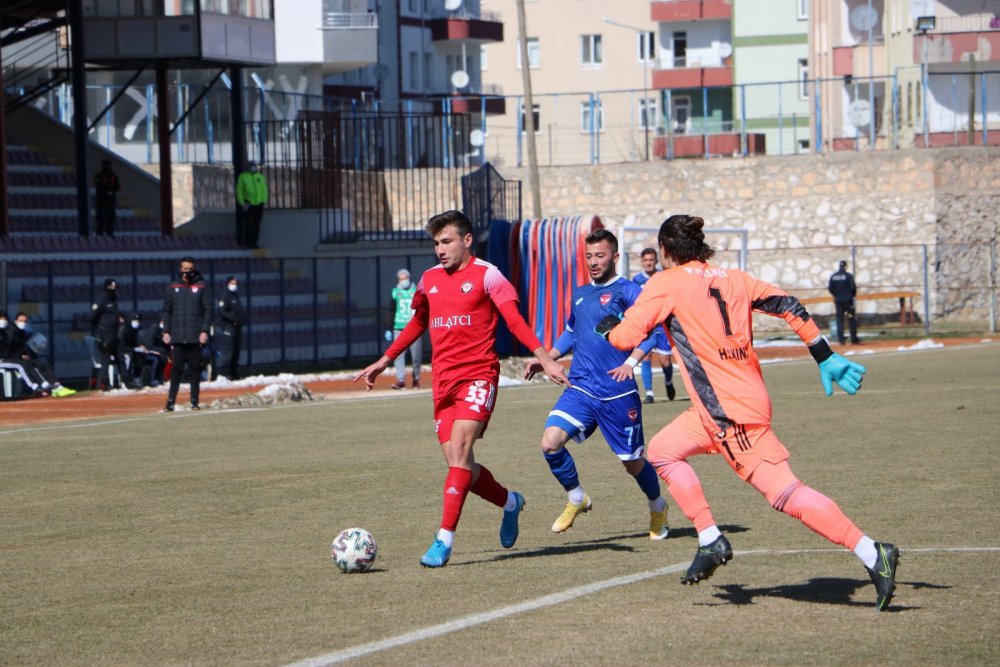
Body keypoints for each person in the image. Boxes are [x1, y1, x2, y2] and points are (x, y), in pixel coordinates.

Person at [599, 214, 898, 612]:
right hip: (724, 405)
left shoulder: (665, 283)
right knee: (662, 451)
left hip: (729, 415)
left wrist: (608, 327)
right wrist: (822, 354)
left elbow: (623, 337)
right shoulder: (735, 278)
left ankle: (872, 552)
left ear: (666, 251)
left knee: (785, 494)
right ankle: (709, 538)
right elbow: (789, 305)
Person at [353, 210, 570, 568]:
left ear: (467, 240)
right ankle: (511, 502)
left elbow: (514, 320)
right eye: (436, 243)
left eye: (447, 241)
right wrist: (385, 359)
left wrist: (544, 357)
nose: (440, 249)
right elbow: (418, 321)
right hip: (443, 382)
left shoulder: (489, 276)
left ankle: (443, 541)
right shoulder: (429, 279)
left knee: (458, 450)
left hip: (478, 376)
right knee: (461, 466)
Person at [524, 230, 670, 540]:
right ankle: (577, 498)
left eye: (600, 255)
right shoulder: (580, 294)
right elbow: (571, 333)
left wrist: (629, 364)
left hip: (618, 392)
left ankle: (657, 506)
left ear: (615, 257)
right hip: (581, 387)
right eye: (588, 256)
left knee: (632, 464)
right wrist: (548, 358)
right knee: (550, 443)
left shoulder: (629, 291)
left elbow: (653, 332)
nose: (593, 262)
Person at [161, 258, 213, 412]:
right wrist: (166, 331)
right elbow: (167, 310)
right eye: (185, 269)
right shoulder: (172, 287)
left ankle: (194, 401)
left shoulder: (202, 286)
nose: (188, 272)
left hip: (194, 336)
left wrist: (204, 331)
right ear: (180, 269)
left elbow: (208, 310)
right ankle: (170, 401)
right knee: (176, 369)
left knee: (194, 370)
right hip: (177, 336)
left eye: (190, 268)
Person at [632, 247, 677, 403]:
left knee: (665, 361)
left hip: (662, 325)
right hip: (646, 324)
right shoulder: (637, 280)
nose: (648, 263)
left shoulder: (663, 277)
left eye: (651, 260)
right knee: (645, 355)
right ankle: (649, 393)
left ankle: (669, 382)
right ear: (642, 262)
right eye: (645, 260)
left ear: (656, 261)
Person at [12, 312, 75, 397]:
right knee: (32, 363)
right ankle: (45, 386)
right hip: (14, 357)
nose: (23, 323)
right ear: (15, 321)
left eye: (25, 321)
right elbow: (11, 348)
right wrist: (21, 355)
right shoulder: (11, 332)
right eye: (21, 320)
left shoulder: (25, 330)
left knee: (42, 361)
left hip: (24, 354)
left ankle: (56, 385)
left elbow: (26, 342)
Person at [389, 268, 422, 389]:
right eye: (401, 279)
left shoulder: (416, 291)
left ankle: (416, 380)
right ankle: (400, 380)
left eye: (405, 278)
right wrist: (389, 327)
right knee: (398, 354)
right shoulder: (395, 292)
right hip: (398, 326)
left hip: (414, 327)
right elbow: (391, 310)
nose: (403, 281)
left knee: (416, 356)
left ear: (409, 278)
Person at [89, 278, 124, 390]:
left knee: (121, 358)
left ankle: (126, 381)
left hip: (114, 335)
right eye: (111, 288)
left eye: (115, 288)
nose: (114, 290)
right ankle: (105, 383)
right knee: (106, 360)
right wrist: (100, 331)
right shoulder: (101, 300)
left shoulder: (114, 300)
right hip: (104, 335)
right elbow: (92, 317)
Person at [0, 311, 44, 395]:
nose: (3, 321)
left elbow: (10, 349)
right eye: (1, 319)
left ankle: (43, 383)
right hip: (2, 360)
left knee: (26, 362)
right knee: (20, 365)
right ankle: (33, 386)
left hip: (6, 358)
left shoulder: (5, 333)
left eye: (4, 319)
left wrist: (20, 355)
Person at [214, 276, 246, 381]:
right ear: (228, 283)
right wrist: (233, 319)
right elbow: (222, 311)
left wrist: (241, 320)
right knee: (229, 351)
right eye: (232, 283)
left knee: (236, 350)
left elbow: (238, 310)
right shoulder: (225, 296)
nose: (234, 285)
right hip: (229, 327)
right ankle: (225, 373)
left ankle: (234, 373)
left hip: (237, 327)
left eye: (236, 283)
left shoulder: (235, 296)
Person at [235, 161, 268, 248]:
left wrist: (263, 201)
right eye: (251, 166)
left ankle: (254, 243)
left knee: (256, 225)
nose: (253, 168)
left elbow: (264, 189)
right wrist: (242, 203)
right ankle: (246, 242)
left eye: (254, 166)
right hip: (248, 204)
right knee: (248, 224)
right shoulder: (243, 177)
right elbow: (239, 191)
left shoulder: (260, 177)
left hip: (259, 204)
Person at [828, 260, 861, 345]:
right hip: (848, 303)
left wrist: (836, 295)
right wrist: (851, 295)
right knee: (851, 318)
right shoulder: (848, 276)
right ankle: (854, 339)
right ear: (845, 266)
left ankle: (841, 340)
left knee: (840, 320)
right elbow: (853, 287)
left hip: (839, 302)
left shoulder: (834, 276)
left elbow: (830, 288)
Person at [118, 312, 152, 388]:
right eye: (134, 320)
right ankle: (125, 380)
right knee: (129, 356)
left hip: (130, 350)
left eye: (138, 320)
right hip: (122, 352)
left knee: (140, 355)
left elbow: (135, 342)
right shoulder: (123, 329)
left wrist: (140, 347)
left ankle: (136, 378)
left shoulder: (135, 330)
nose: (136, 322)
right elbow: (121, 346)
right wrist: (135, 349)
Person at [94, 159, 120, 237]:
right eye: (106, 165)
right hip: (101, 203)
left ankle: (110, 236)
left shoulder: (114, 176)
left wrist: (109, 190)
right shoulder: (98, 176)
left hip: (111, 203)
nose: (107, 167)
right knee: (100, 222)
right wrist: (108, 190)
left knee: (110, 222)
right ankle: (99, 237)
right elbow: (99, 186)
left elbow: (117, 187)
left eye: (109, 165)